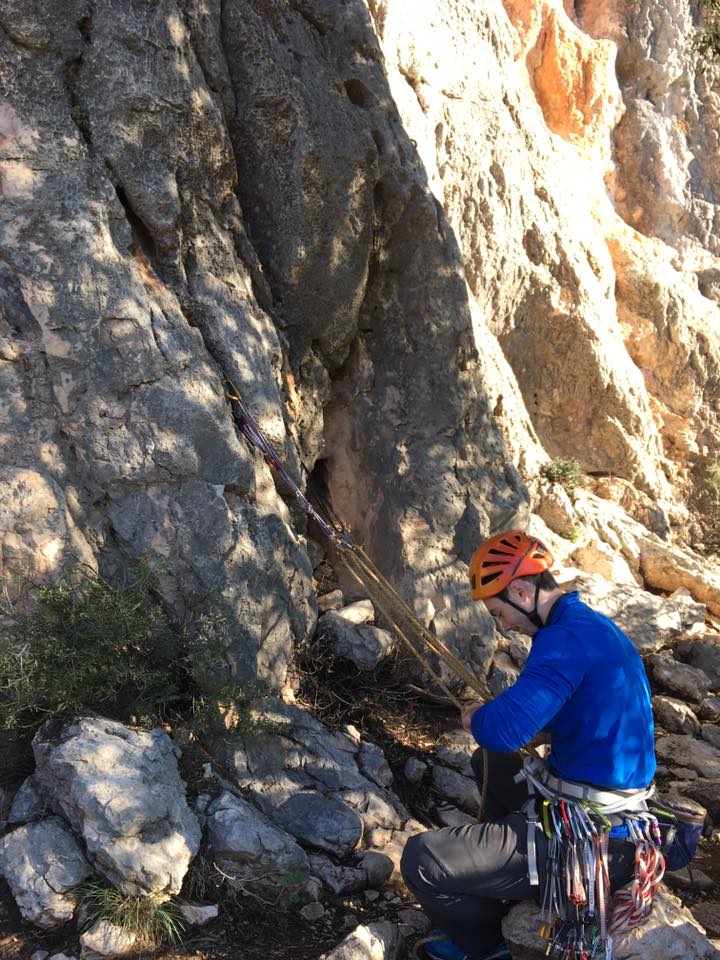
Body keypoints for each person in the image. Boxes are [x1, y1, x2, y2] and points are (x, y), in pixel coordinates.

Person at [400, 530, 657, 960]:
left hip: (592, 839)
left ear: (521, 590)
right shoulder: (587, 626)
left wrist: (474, 717)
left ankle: (487, 947)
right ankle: (499, 884)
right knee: (489, 761)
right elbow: (567, 715)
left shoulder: (563, 642)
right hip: (614, 818)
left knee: (421, 860)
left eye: (500, 612)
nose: (504, 624)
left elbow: (504, 729)